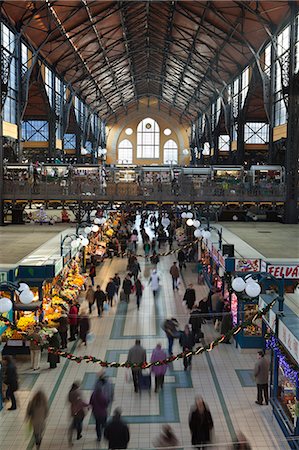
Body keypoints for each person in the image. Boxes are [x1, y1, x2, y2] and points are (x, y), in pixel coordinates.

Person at [90, 376, 109, 442]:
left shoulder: (93, 394)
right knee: (105, 424)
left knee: (97, 425)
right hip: (103, 413)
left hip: (96, 413)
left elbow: (91, 403)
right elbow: (106, 404)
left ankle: (99, 437)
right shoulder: (103, 396)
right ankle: (106, 435)